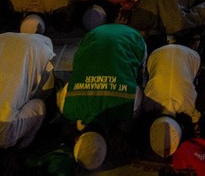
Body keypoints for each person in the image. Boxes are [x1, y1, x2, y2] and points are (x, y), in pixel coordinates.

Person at [57, 24, 147, 169]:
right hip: (93, 35)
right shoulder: (67, 106)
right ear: (77, 138)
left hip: (133, 38)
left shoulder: (127, 106)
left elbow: (139, 88)